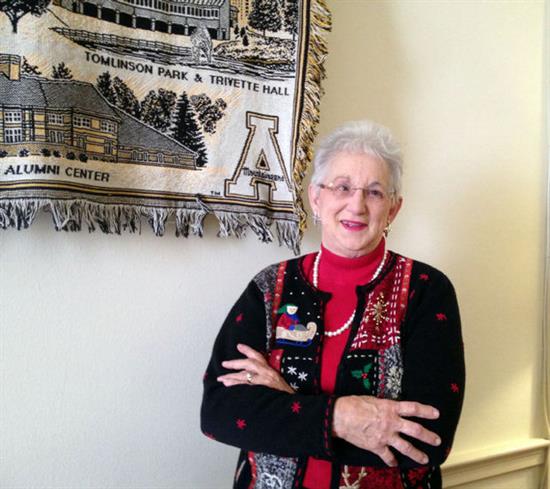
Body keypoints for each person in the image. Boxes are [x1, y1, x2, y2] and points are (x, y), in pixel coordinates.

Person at [201, 120, 465, 489]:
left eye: (375, 192)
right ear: (316, 198)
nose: (356, 205)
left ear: (393, 209)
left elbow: (428, 439)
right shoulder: (270, 287)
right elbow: (219, 413)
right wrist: (340, 417)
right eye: (342, 187)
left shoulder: (425, 290)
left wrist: (285, 400)